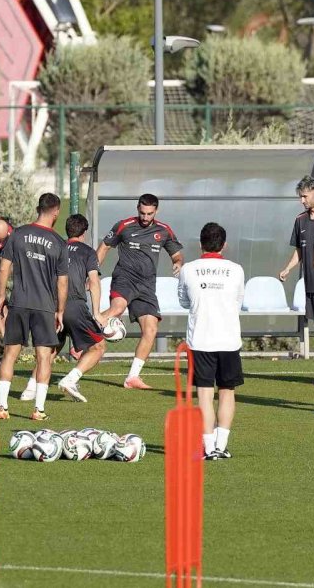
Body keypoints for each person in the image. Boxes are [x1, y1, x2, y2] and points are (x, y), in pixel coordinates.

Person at [97, 193, 183, 390]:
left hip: (146, 286)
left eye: (149, 213)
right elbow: (104, 248)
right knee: (117, 308)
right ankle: (82, 338)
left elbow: (177, 255)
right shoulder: (124, 226)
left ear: (156, 211)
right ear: (137, 208)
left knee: (151, 329)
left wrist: (177, 263)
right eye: (142, 213)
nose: (145, 217)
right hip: (125, 279)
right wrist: (93, 273)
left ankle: (132, 377)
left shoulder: (164, 231)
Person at [0, 193, 68, 421]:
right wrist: (60, 310)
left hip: (18, 302)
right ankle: (39, 410)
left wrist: (0, 297)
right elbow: (62, 281)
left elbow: (3, 268)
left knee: (10, 354)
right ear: (56, 212)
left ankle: (2, 407)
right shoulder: (58, 242)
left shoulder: (17, 233)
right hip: (44, 306)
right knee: (44, 357)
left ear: (38, 208)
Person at [177, 222, 245, 460]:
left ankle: (208, 448)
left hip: (201, 341)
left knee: (204, 394)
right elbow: (238, 301)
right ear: (224, 245)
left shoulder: (188, 269)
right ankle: (221, 445)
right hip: (228, 340)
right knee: (227, 392)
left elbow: (184, 301)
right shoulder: (236, 269)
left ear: (200, 244)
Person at [278, 175, 314, 386]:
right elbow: (300, 250)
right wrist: (287, 268)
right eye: (300, 197)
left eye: (304, 196)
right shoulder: (300, 220)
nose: (302, 200)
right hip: (310, 282)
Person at [55, 214, 109, 403]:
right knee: (99, 346)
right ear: (84, 233)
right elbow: (94, 281)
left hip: (52, 306)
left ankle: (31, 389)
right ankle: (71, 379)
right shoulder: (87, 252)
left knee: (51, 349)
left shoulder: (57, 247)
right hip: (74, 306)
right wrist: (96, 313)